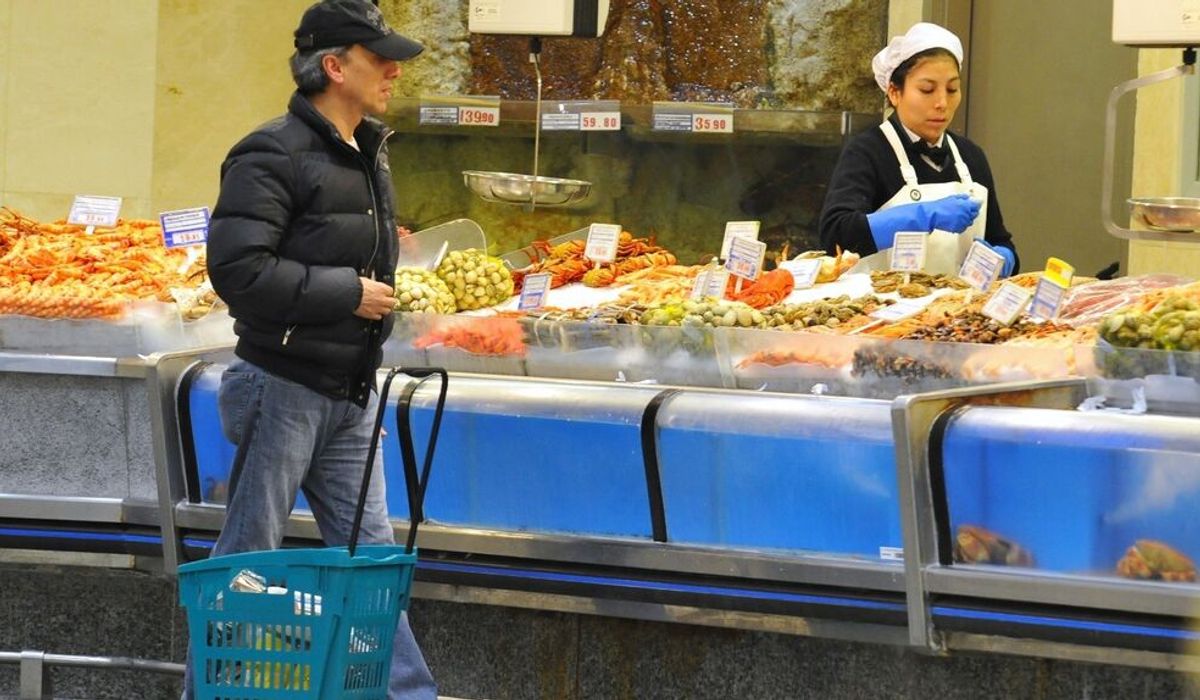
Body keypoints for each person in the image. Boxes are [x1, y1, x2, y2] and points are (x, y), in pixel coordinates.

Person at [187, 1, 436, 698]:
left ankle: (404, 692)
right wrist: (345, 293)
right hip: (281, 387)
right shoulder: (270, 152)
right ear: (334, 67)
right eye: (378, 58)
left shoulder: (367, 151)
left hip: (348, 393)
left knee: (372, 563)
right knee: (246, 561)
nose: (393, 71)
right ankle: (212, 690)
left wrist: (362, 358)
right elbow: (238, 271)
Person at [819, 22, 1019, 277]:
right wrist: (923, 216)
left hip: (959, 301)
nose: (942, 103)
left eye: (952, 89)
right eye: (927, 89)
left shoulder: (971, 156)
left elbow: (999, 239)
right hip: (881, 301)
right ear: (894, 92)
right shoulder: (868, 151)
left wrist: (1005, 258)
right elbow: (835, 235)